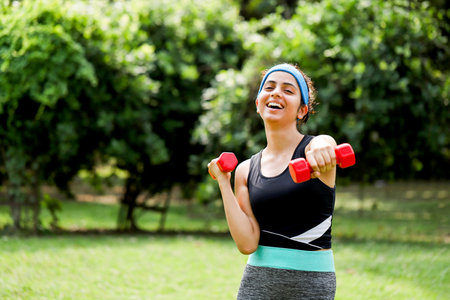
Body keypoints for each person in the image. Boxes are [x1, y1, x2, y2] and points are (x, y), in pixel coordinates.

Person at [208, 63, 338, 299]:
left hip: (311, 283)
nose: (276, 92)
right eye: (269, 87)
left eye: (288, 90)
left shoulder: (315, 150)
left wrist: (323, 145)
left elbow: (325, 143)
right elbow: (247, 244)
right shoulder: (246, 170)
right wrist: (223, 183)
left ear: (302, 110)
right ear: (258, 104)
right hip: (258, 280)